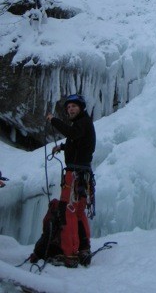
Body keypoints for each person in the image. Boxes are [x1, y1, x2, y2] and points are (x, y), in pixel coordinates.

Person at [46, 94, 96, 268]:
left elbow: (73, 133)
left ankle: (70, 254)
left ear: (80, 108)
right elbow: (79, 142)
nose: (70, 109)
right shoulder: (84, 124)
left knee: (68, 211)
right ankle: (83, 248)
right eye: (68, 107)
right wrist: (62, 146)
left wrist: (54, 120)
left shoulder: (82, 123)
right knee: (79, 212)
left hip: (75, 175)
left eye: (74, 106)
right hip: (83, 175)